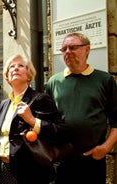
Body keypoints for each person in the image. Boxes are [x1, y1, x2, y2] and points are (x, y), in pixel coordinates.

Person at [45, 32, 117, 184]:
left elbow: (116, 120)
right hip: (61, 158)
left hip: (92, 159)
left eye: (73, 47)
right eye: (64, 49)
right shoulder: (53, 82)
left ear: (87, 49)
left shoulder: (105, 80)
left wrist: (105, 147)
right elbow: (47, 120)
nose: (67, 52)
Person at [0, 54, 71, 183]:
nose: (15, 68)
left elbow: (62, 132)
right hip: (4, 170)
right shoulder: (4, 104)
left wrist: (32, 120)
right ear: (7, 77)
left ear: (29, 75)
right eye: (11, 67)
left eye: (21, 66)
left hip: (30, 173)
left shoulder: (40, 99)